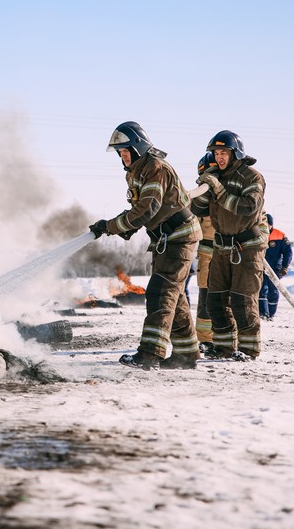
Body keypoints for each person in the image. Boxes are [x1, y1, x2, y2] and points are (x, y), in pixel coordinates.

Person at [89, 121, 201, 370]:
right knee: (175, 295)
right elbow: (142, 212)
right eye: (120, 153)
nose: (123, 156)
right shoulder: (139, 171)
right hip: (165, 239)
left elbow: (146, 208)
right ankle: (187, 353)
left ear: (138, 148)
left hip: (179, 237)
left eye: (126, 151)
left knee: (160, 293)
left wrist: (111, 225)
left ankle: (150, 353)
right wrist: (123, 227)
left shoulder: (155, 168)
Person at [190, 131, 267, 361]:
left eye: (224, 152)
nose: (219, 157)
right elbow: (198, 210)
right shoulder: (217, 177)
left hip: (247, 249)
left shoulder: (252, 177)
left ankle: (249, 350)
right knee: (216, 300)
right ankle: (223, 347)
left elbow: (247, 207)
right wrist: (204, 187)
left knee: (242, 301)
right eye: (216, 153)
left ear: (236, 153)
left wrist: (219, 190)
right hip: (221, 248)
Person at [194, 152, 217, 350]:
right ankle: (205, 339)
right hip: (207, 253)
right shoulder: (201, 196)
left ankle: (223, 339)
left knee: (223, 298)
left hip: (227, 251)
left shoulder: (231, 192)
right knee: (206, 298)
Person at [258, 213, 293, 321]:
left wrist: (285, 267)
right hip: (260, 266)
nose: (266, 227)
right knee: (262, 289)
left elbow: (288, 252)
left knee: (273, 291)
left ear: (271, 225)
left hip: (275, 268)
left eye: (267, 224)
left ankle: (271, 314)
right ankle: (263, 313)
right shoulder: (258, 233)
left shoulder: (280, 235)